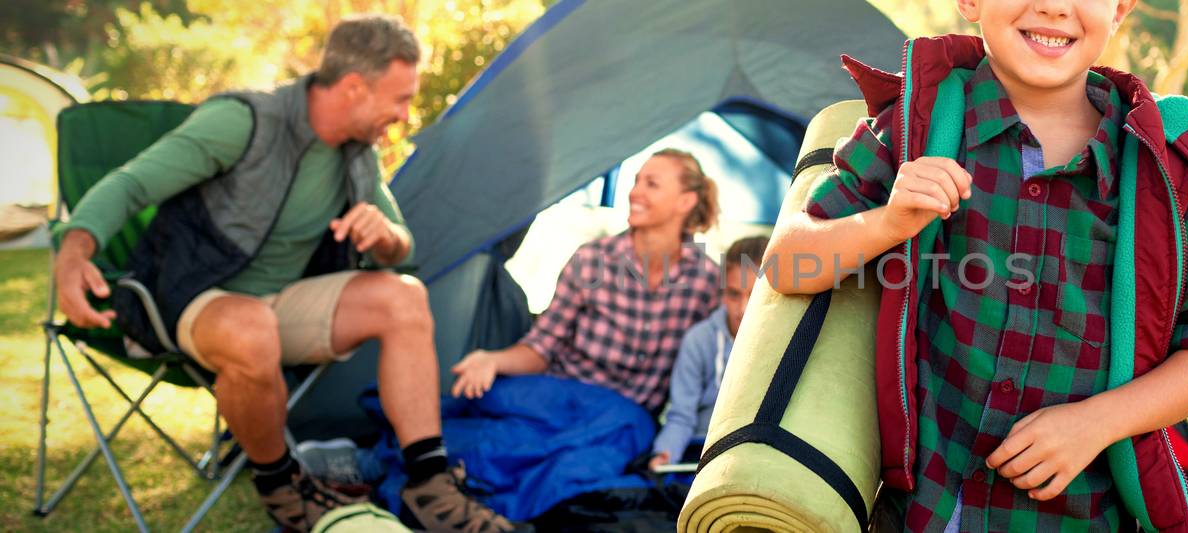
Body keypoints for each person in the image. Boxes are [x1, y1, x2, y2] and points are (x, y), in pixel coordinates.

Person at [761, 0, 1188, 529]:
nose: (1053, 7)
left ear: (1120, 8)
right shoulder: (917, 127)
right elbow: (786, 266)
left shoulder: (1163, 167)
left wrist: (1096, 423)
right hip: (923, 512)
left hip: (1083, 516)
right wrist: (888, 223)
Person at [53, 15, 517, 533]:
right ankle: (282, 486)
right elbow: (131, 185)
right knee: (253, 326)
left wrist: (384, 234)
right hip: (196, 299)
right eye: (400, 99)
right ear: (353, 87)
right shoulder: (245, 122)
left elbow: (401, 249)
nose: (405, 116)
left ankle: (430, 487)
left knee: (403, 297)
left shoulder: (356, 154)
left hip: (283, 305)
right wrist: (73, 252)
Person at [450, 149, 721, 415]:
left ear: (685, 202)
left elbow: (711, 367)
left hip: (624, 418)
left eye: (652, 184)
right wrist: (492, 360)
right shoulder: (591, 260)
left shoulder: (705, 280)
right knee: (471, 414)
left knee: (583, 454)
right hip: (561, 398)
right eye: (636, 181)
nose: (635, 192)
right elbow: (542, 347)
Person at [648, 235, 769, 469]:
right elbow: (681, 415)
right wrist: (665, 454)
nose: (742, 309)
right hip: (698, 451)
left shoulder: (787, 342)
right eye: (734, 294)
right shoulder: (699, 340)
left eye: (754, 295)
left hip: (755, 454)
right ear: (722, 292)